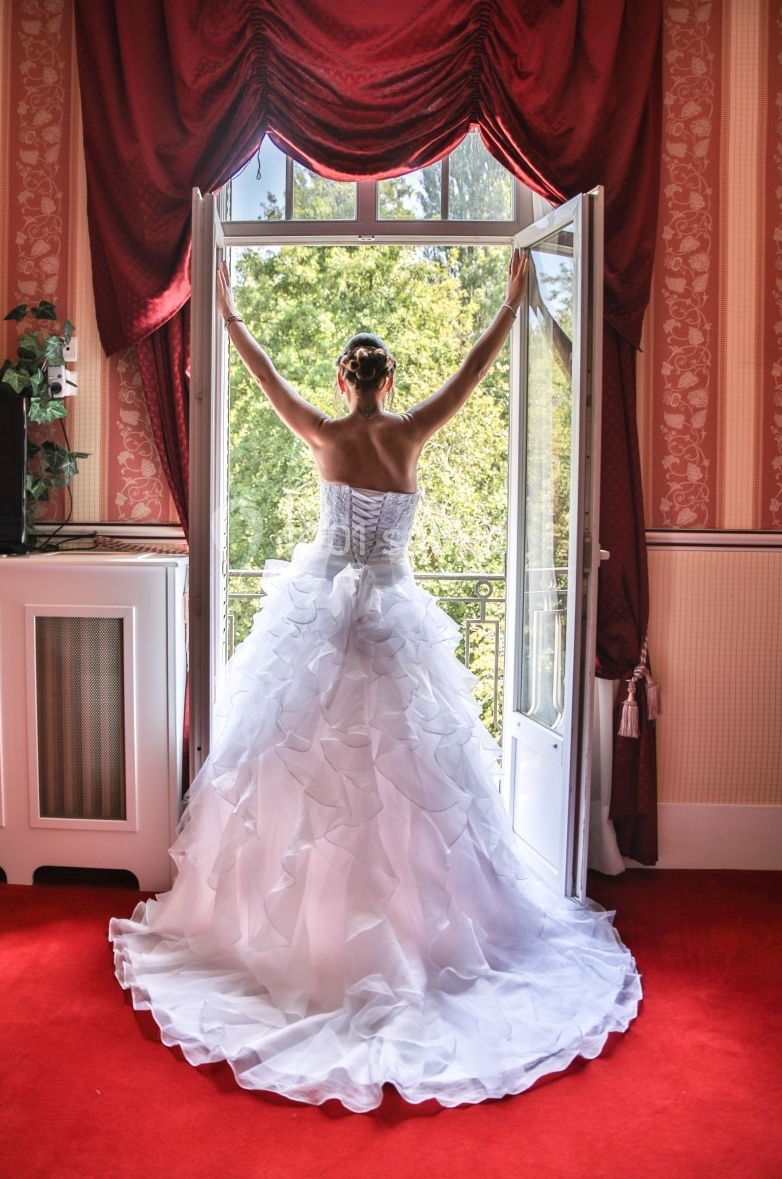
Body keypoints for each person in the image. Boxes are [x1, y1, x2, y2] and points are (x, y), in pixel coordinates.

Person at [109, 249, 641, 1111]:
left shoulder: (323, 433)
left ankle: (311, 947)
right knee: (408, 787)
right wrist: (511, 307)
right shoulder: (407, 433)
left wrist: (232, 316)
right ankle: (406, 937)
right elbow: (472, 374)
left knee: (306, 778)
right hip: (392, 625)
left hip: (320, 619)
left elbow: (265, 379)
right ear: (388, 377)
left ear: (342, 376)